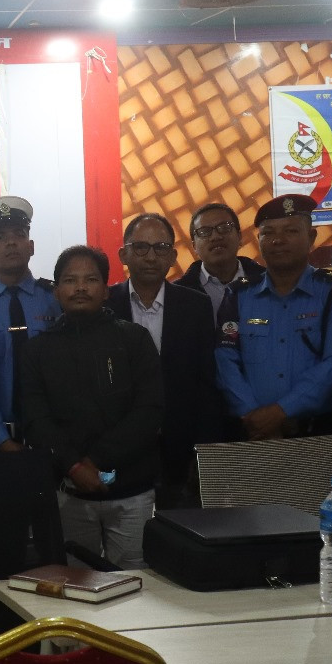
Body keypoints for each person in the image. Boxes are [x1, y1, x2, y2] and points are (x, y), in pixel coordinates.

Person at [20, 245, 163, 569]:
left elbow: (149, 410)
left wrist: (95, 461)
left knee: (135, 583)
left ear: (106, 289)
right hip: (69, 492)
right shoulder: (37, 351)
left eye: (91, 279)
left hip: (131, 492)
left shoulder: (134, 339)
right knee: (77, 583)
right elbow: (36, 420)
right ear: (57, 291)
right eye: (70, 280)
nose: (80, 288)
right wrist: (73, 467)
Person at [216, 195, 332, 467]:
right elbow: (225, 359)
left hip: (319, 436)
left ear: (311, 237)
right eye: (268, 233)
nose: (278, 240)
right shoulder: (238, 293)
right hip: (252, 436)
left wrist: (280, 412)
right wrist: (255, 419)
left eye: (291, 231)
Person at [108, 213, 219, 508]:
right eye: (140, 247)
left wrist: (203, 451)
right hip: (120, 447)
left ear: (172, 256)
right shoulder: (105, 305)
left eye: (160, 247)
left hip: (179, 445)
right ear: (123, 254)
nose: (150, 257)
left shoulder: (195, 305)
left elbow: (206, 382)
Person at [0, 196, 60, 451]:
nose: (11, 242)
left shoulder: (55, 298)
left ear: (31, 246)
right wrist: (0, 438)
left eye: (19, 234)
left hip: (54, 436)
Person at [176, 202, 266, 317]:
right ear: (194, 246)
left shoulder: (268, 282)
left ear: (239, 237)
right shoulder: (177, 293)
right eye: (204, 231)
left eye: (224, 228)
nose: (216, 237)